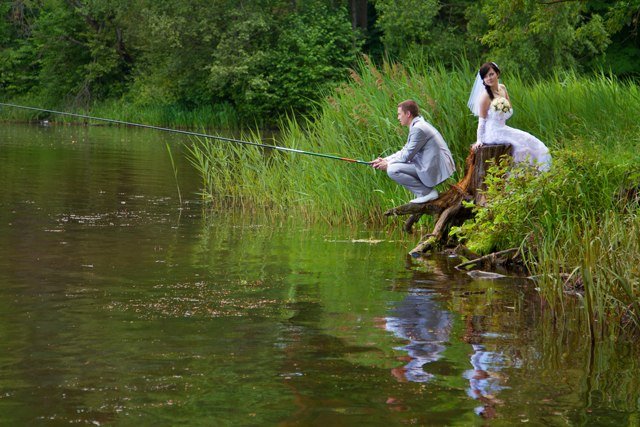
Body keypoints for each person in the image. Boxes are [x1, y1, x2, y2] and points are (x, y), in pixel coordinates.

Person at [468, 62, 551, 171]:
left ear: (497, 73)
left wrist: (502, 110)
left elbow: (510, 110)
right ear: (483, 80)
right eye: (485, 76)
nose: (489, 78)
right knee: (520, 147)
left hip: (503, 128)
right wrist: (479, 140)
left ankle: (538, 172)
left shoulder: (503, 88)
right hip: (492, 133)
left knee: (532, 141)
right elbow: (482, 121)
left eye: (491, 74)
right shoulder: (485, 96)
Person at [371, 100, 456, 204]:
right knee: (392, 166)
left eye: (399, 114)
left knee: (392, 169)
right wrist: (385, 159)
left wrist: (387, 164)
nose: (398, 118)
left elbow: (406, 157)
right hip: (431, 164)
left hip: (435, 167)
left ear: (408, 114)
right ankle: (426, 193)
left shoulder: (418, 129)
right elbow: (405, 151)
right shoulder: (418, 125)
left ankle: (426, 193)